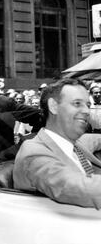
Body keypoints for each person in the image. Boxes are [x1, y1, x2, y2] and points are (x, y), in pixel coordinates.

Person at [13, 78, 101, 209]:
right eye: (77, 104)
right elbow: (78, 189)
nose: (87, 111)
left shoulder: (74, 142)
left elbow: (96, 140)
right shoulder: (33, 153)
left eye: (88, 105)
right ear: (53, 106)